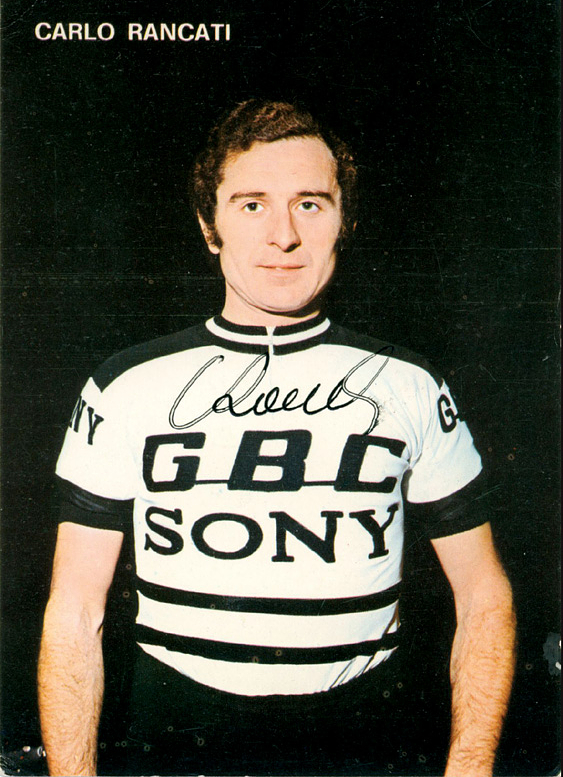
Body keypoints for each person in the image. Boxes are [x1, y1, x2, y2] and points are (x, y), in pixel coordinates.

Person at [38, 99, 516, 777]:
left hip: (363, 741)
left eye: (310, 204)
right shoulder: (125, 385)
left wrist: (470, 765)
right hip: (175, 739)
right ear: (209, 226)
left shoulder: (409, 384)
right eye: (252, 205)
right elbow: (74, 610)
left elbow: (484, 594)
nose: (283, 236)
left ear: (345, 222)